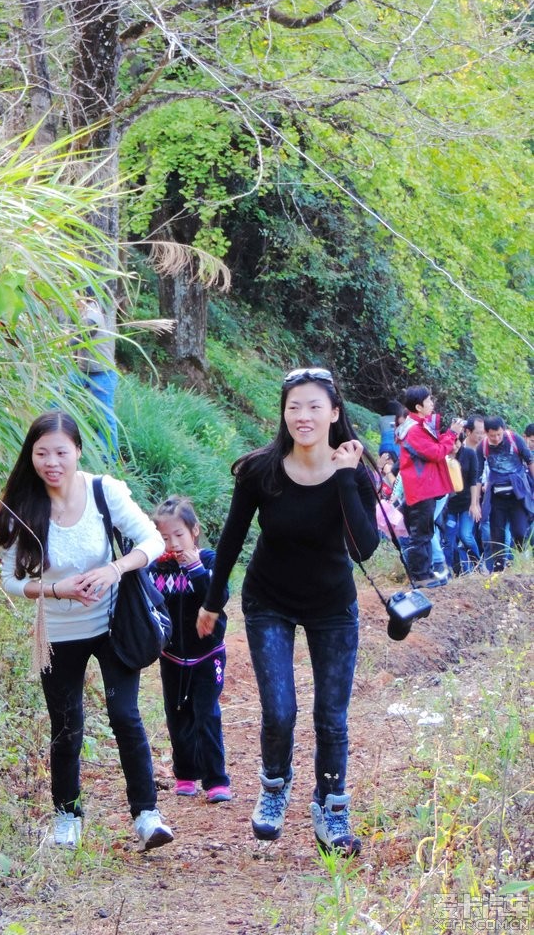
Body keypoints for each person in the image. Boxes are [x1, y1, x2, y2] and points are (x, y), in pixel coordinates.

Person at [196, 366, 379, 857]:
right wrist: (213, 603)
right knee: (280, 710)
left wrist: (343, 477)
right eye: (294, 406)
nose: (303, 416)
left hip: (332, 605)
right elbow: (232, 537)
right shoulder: (262, 470)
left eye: (315, 406)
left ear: (334, 414)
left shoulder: (355, 473)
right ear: (283, 413)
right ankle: (274, 788)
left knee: (331, 716)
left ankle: (330, 807)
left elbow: (363, 549)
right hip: (269, 600)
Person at [0, 411, 173, 851]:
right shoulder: (23, 504)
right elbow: (11, 581)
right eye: (42, 453)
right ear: (30, 455)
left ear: (77, 452)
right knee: (66, 724)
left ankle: (147, 815)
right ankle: (67, 815)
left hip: (113, 625)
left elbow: (153, 541)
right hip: (58, 631)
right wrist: (56, 588)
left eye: (60, 452)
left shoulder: (103, 492)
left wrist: (114, 568)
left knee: (125, 715)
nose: (51, 462)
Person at [148, 497, 231, 804]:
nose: (173, 543)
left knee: (206, 712)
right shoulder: (156, 568)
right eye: (165, 537)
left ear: (194, 531)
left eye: (179, 535)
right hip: (171, 656)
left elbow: (217, 596)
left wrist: (194, 567)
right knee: (177, 714)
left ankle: (216, 779)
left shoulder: (209, 561)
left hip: (209, 655)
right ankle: (185, 773)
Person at [396, 386, 464, 587]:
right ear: (418, 406)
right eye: (428, 400)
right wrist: (452, 433)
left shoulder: (418, 426)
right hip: (420, 488)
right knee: (421, 534)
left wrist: (449, 435)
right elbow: (435, 453)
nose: (432, 403)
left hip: (422, 487)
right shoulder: (414, 430)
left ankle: (424, 574)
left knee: (424, 532)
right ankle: (421, 577)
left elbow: (435, 449)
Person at [473, 417, 534, 572]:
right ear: (487, 433)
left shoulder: (514, 439)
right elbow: (478, 475)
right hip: (497, 497)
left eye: (499, 434)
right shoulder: (483, 446)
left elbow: (530, 461)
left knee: (520, 532)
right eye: (493, 435)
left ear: (503, 430)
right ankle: (498, 569)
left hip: (517, 495)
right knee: (497, 535)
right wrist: (474, 504)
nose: (497, 438)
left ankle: (522, 565)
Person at [71, 289, 119, 460]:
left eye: (74, 294)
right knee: (57, 395)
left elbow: (81, 336)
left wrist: (60, 344)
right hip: (82, 371)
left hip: (102, 373)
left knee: (105, 417)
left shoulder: (93, 313)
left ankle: (109, 459)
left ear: (83, 296)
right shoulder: (81, 313)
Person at [441, 416, 484, 574]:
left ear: (461, 441)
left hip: (466, 503)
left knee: (465, 535)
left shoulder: (469, 455)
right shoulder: (442, 457)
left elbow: (474, 480)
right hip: (449, 506)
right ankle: (450, 571)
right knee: (449, 539)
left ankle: (478, 564)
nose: (454, 447)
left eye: (457, 442)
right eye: (451, 443)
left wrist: (475, 504)